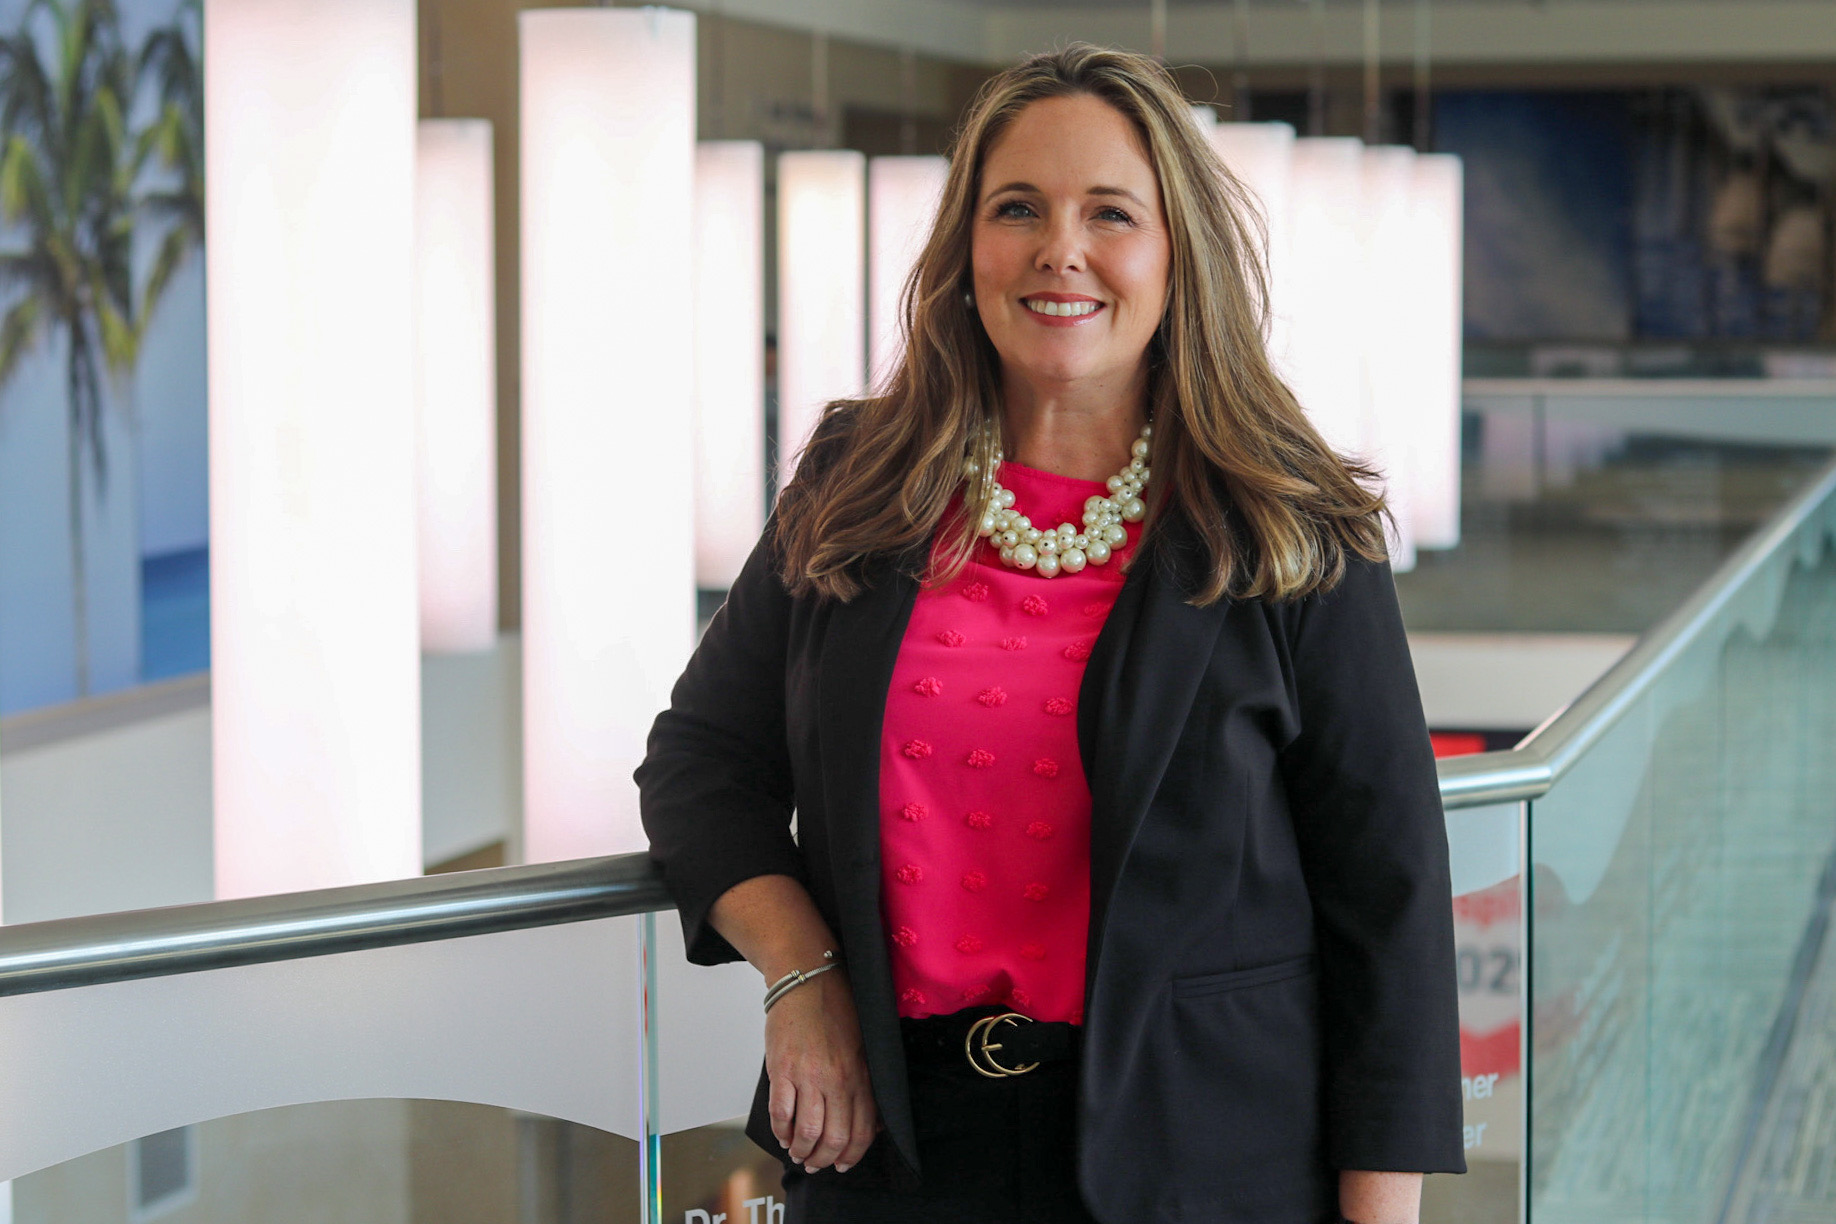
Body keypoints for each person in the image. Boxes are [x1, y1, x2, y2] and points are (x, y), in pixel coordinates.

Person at [637, 42, 1464, 1224]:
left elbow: (1388, 896)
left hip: (1210, 1161)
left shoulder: (1292, 524)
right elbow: (700, 760)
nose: (1057, 249)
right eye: (1016, 207)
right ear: (965, 247)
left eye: (1110, 214)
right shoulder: (855, 481)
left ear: (1179, 256)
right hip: (896, 1147)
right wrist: (801, 972)